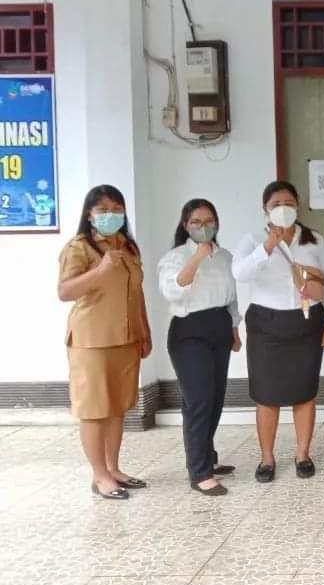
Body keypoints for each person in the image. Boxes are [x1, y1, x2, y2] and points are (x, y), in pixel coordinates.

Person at [232, 180, 324, 482]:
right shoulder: (253, 239)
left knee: (304, 392)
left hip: (306, 322)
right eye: (276, 205)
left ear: (298, 205)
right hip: (266, 324)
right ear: (264, 209)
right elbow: (240, 272)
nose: (283, 209)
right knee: (266, 395)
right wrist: (267, 246)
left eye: (289, 204)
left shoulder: (314, 240)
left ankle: (302, 454)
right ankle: (267, 458)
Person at [57, 185, 151, 500]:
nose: (111, 215)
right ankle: (99, 476)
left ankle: (113, 468)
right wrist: (100, 270)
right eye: (104, 210)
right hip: (91, 341)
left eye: (117, 209)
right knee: (94, 409)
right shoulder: (79, 247)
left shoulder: (128, 246)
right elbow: (65, 291)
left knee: (117, 408)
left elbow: (136, 293)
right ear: (90, 214)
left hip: (126, 339)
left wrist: (144, 330)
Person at [158, 198, 241, 497]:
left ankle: (208, 457)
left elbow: (232, 298)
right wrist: (197, 257)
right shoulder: (175, 256)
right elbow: (173, 290)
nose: (203, 227)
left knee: (215, 398)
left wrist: (235, 330)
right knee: (199, 400)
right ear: (185, 225)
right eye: (196, 222)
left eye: (209, 222)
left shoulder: (226, 257)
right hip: (189, 330)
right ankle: (199, 472)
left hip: (219, 326)